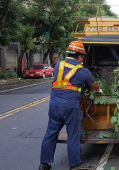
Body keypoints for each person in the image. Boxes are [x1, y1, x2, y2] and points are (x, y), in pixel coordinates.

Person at [39, 41, 102, 170]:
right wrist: (99, 90)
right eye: (83, 56)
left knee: (50, 134)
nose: (83, 59)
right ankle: (74, 165)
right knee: (73, 135)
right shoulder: (83, 71)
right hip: (71, 108)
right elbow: (94, 86)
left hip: (54, 106)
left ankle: (44, 164)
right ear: (80, 56)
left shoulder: (57, 66)